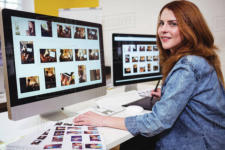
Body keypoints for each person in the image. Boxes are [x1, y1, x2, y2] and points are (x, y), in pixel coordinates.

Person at [74, 1, 225, 149]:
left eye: (173, 23)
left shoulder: (188, 65)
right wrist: (169, 94)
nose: (163, 30)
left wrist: (102, 120)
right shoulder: (201, 58)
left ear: (191, 28)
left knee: (132, 143)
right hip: (211, 140)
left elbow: (156, 123)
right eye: (161, 23)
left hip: (195, 143)